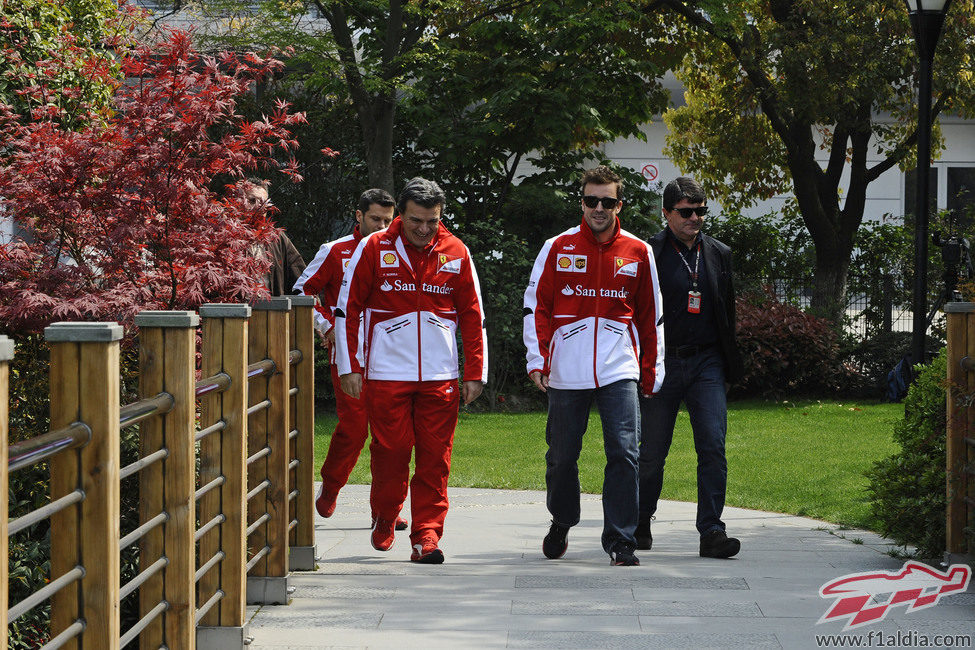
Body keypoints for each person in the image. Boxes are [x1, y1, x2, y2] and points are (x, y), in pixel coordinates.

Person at [334, 177, 487, 564]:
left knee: (436, 459)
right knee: (392, 452)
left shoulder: (457, 251)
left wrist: (474, 372)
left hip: (440, 377)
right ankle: (385, 515)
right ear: (400, 215)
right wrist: (350, 366)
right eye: (416, 220)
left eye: (432, 221)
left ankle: (427, 537)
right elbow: (347, 308)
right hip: (386, 375)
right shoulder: (374, 246)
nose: (423, 228)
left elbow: (473, 316)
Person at [523, 165, 664, 566]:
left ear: (619, 204)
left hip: (620, 367)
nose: (598, 208)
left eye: (607, 201)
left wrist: (653, 368)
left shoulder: (639, 250)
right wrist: (539, 357)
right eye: (591, 200)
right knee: (562, 456)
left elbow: (651, 315)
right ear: (582, 201)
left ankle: (620, 540)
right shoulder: (556, 246)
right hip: (567, 369)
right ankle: (563, 519)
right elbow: (537, 307)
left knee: (624, 452)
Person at [638, 176, 744, 559]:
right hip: (663, 361)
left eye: (700, 211)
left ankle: (712, 531)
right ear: (666, 213)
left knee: (713, 446)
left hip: (707, 362)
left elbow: (726, 312)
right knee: (651, 451)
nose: (694, 218)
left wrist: (730, 369)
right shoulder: (647, 252)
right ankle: (639, 521)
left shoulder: (719, 253)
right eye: (686, 211)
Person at [292, 189, 400, 529]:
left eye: (388, 220)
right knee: (354, 429)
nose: (382, 226)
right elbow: (300, 291)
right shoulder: (335, 251)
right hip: (348, 354)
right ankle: (332, 485)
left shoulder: (400, 251)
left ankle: (385, 510)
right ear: (359, 216)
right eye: (375, 219)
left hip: (394, 356)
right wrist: (327, 326)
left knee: (391, 434)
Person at [242, 178, 306, 296]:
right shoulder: (226, 236)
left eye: (263, 202)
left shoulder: (277, 238)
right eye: (252, 200)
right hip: (235, 311)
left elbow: (300, 274)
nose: (258, 206)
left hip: (271, 311)